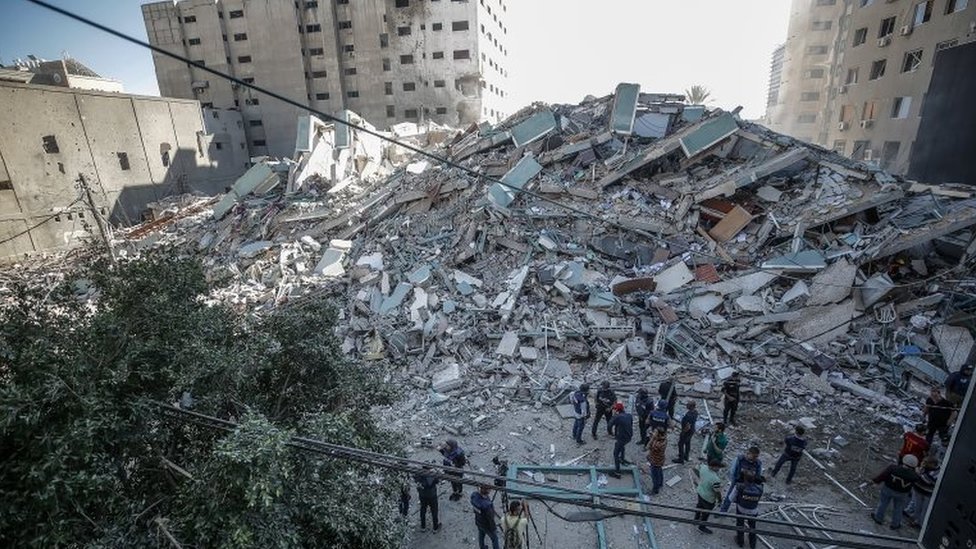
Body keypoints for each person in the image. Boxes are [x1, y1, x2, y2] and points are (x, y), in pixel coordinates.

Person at [871, 454, 921, 530]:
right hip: (902, 493)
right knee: (898, 508)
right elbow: (917, 481)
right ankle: (895, 524)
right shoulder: (914, 476)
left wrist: (876, 481)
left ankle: (878, 518)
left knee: (883, 504)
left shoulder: (893, 468)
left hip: (888, 489)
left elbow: (883, 475)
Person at [728, 469, 764, 548]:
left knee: (740, 524)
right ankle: (752, 544)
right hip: (754, 510)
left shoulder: (739, 486)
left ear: (744, 478)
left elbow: (730, 498)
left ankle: (740, 542)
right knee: (752, 526)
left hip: (741, 508)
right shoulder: (760, 488)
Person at [721, 446, 763, 512]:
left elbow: (758, 475)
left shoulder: (758, 463)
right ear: (748, 453)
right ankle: (723, 511)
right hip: (737, 481)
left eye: (757, 457)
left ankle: (740, 511)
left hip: (749, 484)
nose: (756, 458)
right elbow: (733, 471)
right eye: (754, 456)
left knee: (743, 498)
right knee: (729, 496)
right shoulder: (739, 459)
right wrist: (734, 481)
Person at [906, 456, 939, 527]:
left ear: (933, 464)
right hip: (918, 490)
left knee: (925, 509)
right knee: (917, 506)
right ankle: (915, 518)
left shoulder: (937, 472)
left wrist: (918, 473)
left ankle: (920, 522)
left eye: (926, 463)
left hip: (927, 493)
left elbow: (928, 480)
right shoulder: (924, 468)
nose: (923, 464)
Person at [693, 459, 723, 534]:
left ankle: (695, 519)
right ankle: (701, 527)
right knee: (706, 513)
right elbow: (717, 492)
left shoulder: (703, 467)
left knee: (699, 506)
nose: (719, 469)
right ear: (714, 467)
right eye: (718, 467)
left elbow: (695, 468)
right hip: (708, 498)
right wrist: (719, 500)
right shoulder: (715, 479)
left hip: (700, 491)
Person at [608, 402, 633, 479]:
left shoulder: (617, 417)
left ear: (616, 410)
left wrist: (611, 433)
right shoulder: (629, 415)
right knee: (622, 446)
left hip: (622, 438)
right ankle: (622, 459)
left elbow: (609, 425)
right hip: (629, 436)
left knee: (615, 453)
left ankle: (617, 472)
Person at [471, 485, 500, 549]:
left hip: (478, 521)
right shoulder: (487, 506)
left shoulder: (474, 496)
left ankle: (482, 547)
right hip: (487, 525)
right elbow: (491, 518)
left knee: (481, 534)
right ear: (488, 491)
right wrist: (493, 528)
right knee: (495, 539)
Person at [414, 464, 441, 531]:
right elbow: (438, 480)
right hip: (432, 495)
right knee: (434, 510)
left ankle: (423, 527)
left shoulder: (420, 474)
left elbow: (415, 478)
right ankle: (435, 527)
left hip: (422, 495)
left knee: (423, 510)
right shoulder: (432, 475)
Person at [646, 427, 667, 494]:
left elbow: (648, 447)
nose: (653, 433)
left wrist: (651, 438)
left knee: (654, 475)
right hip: (660, 459)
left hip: (655, 460)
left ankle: (655, 490)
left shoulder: (658, 444)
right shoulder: (664, 439)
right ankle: (660, 483)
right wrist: (654, 436)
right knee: (659, 471)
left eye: (655, 432)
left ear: (659, 435)